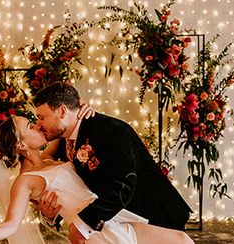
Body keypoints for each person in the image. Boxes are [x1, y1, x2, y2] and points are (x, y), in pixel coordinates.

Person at [0, 115, 192, 244]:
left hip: (109, 217)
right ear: (21, 145)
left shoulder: (47, 158)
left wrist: (82, 111)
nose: (38, 125)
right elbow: (11, 224)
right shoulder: (25, 181)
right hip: (95, 233)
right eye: (30, 126)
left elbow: (66, 126)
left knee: (182, 240)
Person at [33, 83, 192, 244]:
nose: (39, 124)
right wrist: (50, 214)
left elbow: (124, 186)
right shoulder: (64, 141)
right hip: (115, 225)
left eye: (42, 117)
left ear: (62, 111)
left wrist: (83, 224)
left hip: (153, 216)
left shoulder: (111, 131)